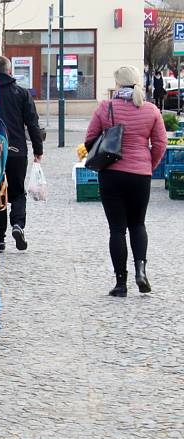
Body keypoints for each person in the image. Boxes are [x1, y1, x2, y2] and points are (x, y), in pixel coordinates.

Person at [84, 66, 166, 297]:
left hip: (112, 174)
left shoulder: (105, 107)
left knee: (117, 230)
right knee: (138, 224)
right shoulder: (151, 110)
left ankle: (121, 284)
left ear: (118, 84)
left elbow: (90, 139)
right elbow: (160, 144)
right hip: (141, 175)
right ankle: (141, 270)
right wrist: (148, 165)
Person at [0, 56, 43, 252]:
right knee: (18, 191)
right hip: (17, 150)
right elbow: (32, 123)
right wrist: (38, 150)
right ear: (9, 71)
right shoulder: (21, 92)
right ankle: (18, 224)